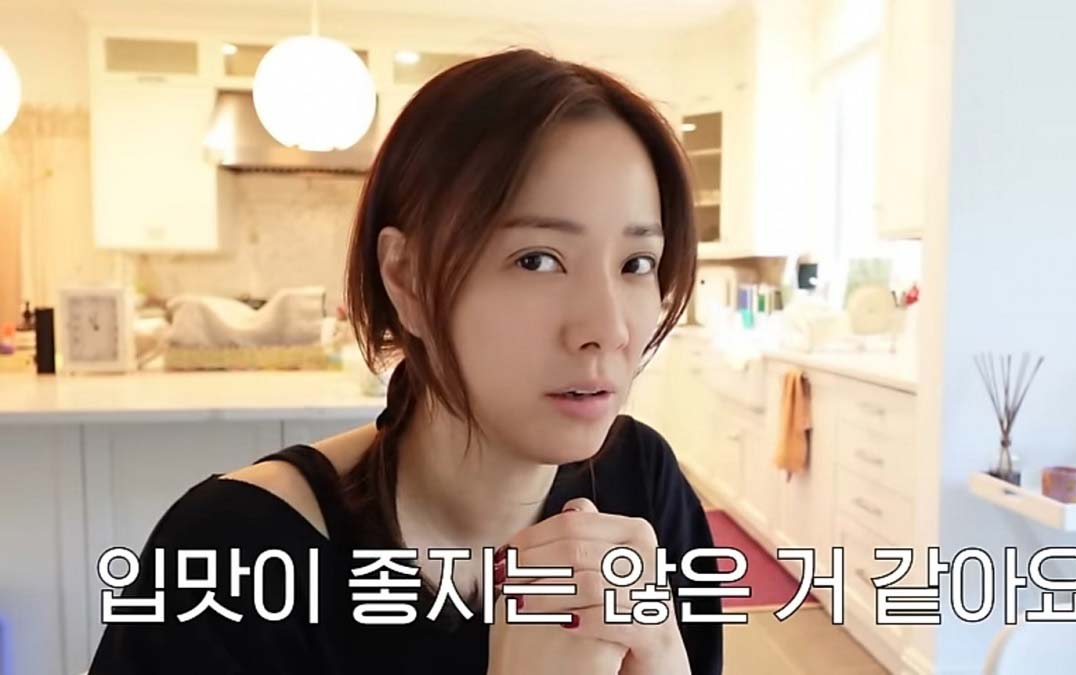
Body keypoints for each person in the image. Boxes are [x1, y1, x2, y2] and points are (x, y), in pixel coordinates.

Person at [89, 48, 722, 675]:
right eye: (537, 260)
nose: (608, 329)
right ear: (407, 278)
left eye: (637, 263)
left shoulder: (641, 483)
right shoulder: (233, 553)